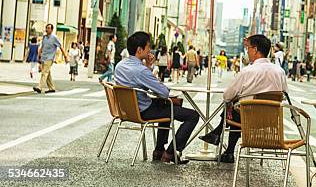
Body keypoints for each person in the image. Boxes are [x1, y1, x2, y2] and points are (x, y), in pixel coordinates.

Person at [198, 34, 287, 163]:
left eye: (248, 48)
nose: (247, 52)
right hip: (271, 120)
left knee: (234, 108)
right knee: (237, 109)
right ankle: (224, 146)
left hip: (247, 117)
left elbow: (227, 96)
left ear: (255, 49)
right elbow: (284, 94)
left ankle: (223, 143)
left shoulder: (248, 71)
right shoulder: (280, 72)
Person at [114, 31, 199, 164]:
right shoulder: (140, 70)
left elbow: (140, 81)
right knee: (193, 115)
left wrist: (147, 66)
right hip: (144, 110)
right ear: (139, 49)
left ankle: (159, 150)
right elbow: (163, 92)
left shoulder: (120, 66)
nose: (150, 50)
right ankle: (170, 153)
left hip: (128, 110)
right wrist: (149, 69)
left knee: (167, 105)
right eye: (148, 47)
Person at [33, 24, 68, 94]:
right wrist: (38, 55)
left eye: (48, 28)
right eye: (46, 28)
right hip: (43, 57)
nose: (47, 29)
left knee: (44, 72)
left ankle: (40, 87)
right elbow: (42, 47)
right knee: (47, 73)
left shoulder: (54, 38)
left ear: (52, 30)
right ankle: (52, 88)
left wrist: (65, 56)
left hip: (49, 58)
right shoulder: (44, 37)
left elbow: (60, 47)